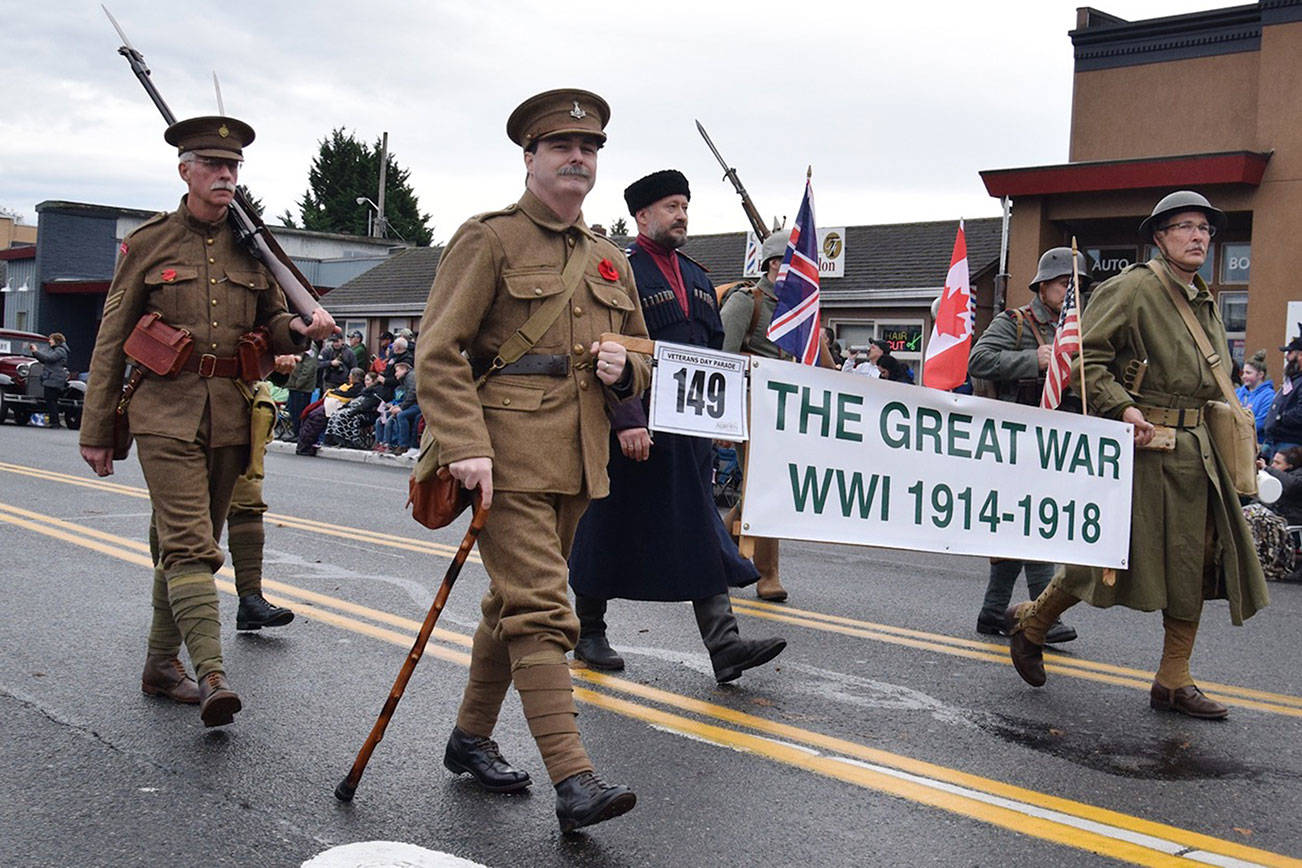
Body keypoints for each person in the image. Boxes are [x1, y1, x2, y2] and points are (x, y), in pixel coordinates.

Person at [415, 88, 650, 833]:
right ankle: (575, 781)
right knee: (547, 609)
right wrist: (466, 447)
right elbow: (438, 351)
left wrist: (627, 366)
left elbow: (646, 351)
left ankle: (470, 739)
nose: (578, 158)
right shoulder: (488, 239)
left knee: (508, 605)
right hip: (503, 458)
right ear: (530, 158)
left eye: (589, 150)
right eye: (561, 148)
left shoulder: (612, 259)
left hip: (578, 460)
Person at [78, 115, 333, 727]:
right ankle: (213, 674)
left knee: (185, 543)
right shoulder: (151, 243)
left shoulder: (255, 248)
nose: (226, 175)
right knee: (193, 545)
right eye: (214, 165)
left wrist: (296, 327)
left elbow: (272, 321)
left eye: (234, 167)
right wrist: (96, 429)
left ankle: (160, 665)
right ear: (185, 171)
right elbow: (112, 336)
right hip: (163, 409)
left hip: (232, 412)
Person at [1005, 190, 1268, 720]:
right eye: (1186, 227)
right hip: (1143, 449)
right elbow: (1085, 362)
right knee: (1106, 559)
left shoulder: (1205, 300)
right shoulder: (1131, 289)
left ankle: (1173, 679)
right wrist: (1123, 409)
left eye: (1205, 229)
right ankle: (1032, 625)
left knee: (1198, 564)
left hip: (1199, 454)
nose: (1198, 237)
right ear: (1160, 237)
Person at [567, 169, 786, 682]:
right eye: (670, 206)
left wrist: (722, 420)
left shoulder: (697, 277)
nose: (682, 214)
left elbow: (714, 358)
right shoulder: (619, 269)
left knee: (698, 527)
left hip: (688, 432)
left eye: (685, 205)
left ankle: (724, 644)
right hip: (635, 428)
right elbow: (608, 347)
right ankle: (588, 630)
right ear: (642, 216)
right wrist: (627, 419)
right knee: (607, 527)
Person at [967, 246, 1092, 645]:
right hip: (1015, 438)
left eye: (1076, 285)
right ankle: (1042, 612)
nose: (1070, 290)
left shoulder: (1078, 329)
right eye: (1062, 283)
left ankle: (992, 611)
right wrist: (1032, 360)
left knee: (1017, 523)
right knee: (1036, 521)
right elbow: (979, 360)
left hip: (1058, 437)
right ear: (1041, 286)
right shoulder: (1015, 322)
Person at [1263, 333, 1302, 460]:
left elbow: (1300, 412)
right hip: (1276, 440)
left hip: (1291, 443)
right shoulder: (1294, 379)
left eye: (1290, 353)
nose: (1286, 357)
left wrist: (1280, 418)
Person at [29, 332, 70, 427]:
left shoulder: (60, 350)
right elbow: (44, 359)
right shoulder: (57, 350)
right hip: (51, 378)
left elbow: (48, 358)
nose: (49, 341)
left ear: (56, 341)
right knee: (50, 400)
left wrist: (36, 351)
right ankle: (54, 421)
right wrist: (35, 353)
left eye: (51, 339)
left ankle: (55, 422)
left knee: (51, 401)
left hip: (54, 379)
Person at [1235, 349, 1274, 444]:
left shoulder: (1269, 396)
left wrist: (1237, 425)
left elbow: (1260, 423)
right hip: (1235, 441)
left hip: (1256, 444)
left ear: (1260, 375)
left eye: (1248, 373)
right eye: (1243, 372)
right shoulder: (1237, 392)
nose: (1243, 376)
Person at [283, 341, 318, 439]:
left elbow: (309, 367)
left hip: (302, 387)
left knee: (299, 412)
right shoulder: (299, 343)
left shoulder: (310, 346)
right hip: (293, 385)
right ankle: (295, 433)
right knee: (293, 411)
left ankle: (299, 434)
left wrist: (299, 383)